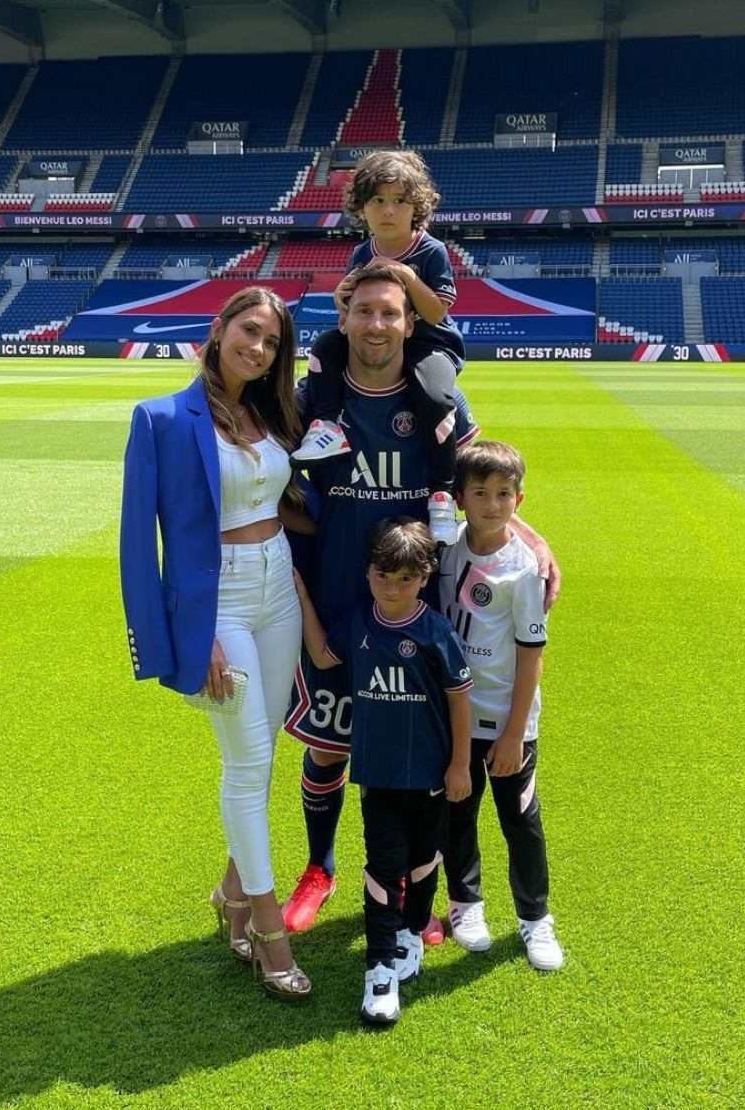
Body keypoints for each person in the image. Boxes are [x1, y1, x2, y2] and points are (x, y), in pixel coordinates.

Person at [282, 264, 560, 941]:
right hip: (336, 596)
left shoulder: (437, 398)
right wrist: (308, 611)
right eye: (365, 312)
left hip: (419, 609)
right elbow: (273, 509)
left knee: (424, 755)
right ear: (344, 318)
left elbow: (484, 487)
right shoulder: (310, 397)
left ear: (411, 323)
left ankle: (414, 889)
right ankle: (320, 868)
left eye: (391, 314)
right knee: (328, 745)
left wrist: (529, 531)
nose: (377, 325)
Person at [120, 286, 313, 1002]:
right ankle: (267, 928)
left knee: (261, 758)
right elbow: (141, 546)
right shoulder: (161, 418)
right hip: (219, 601)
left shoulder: (269, 411)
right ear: (219, 326)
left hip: (277, 585)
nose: (257, 348)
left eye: (270, 341)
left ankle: (231, 891)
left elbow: (288, 502)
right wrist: (181, 636)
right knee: (248, 759)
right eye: (248, 331)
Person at [295, 518, 474, 1025]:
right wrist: (301, 594)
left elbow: (461, 699)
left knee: (423, 862)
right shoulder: (358, 624)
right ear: (368, 572)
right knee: (382, 867)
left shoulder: (435, 633)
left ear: (423, 577)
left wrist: (460, 764)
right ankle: (379, 970)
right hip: (379, 780)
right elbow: (323, 655)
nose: (391, 588)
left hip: (432, 778)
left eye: (404, 579)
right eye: (381, 575)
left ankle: (412, 932)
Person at [290, 149, 464, 546]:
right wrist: (341, 298)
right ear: (362, 208)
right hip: (383, 340)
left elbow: (436, 313)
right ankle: (327, 425)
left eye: (400, 201)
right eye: (378, 201)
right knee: (326, 347)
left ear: (417, 206)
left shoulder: (430, 251)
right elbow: (352, 304)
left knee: (435, 397)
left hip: (430, 345)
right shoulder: (362, 252)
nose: (388, 211)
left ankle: (440, 494)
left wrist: (406, 277)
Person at [439, 440, 564, 971]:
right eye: (481, 493)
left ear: (520, 499)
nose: (493, 504)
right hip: (453, 720)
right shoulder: (444, 549)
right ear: (460, 499)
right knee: (457, 813)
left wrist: (515, 734)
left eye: (504, 494)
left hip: (508, 722)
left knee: (520, 820)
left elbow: (531, 656)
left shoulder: (524, 568)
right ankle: (466, 905)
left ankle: (535, 919)